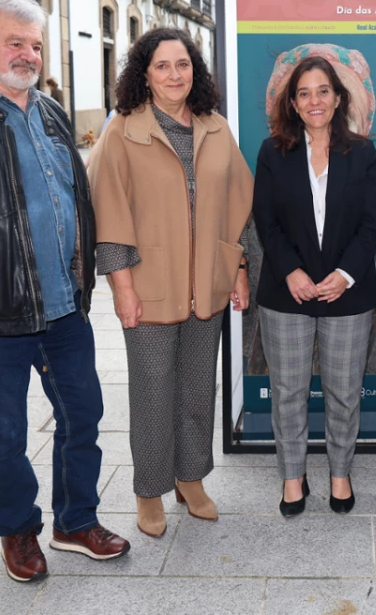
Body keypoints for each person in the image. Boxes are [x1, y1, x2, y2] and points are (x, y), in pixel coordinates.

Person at [0, 0, 129, 583]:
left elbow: (76, 199)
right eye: (14, 43)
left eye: (36, 45)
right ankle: (18, 532)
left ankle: (75, 520)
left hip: (63, 311)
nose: (28, 55)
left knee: (85, 416)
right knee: (4, 436)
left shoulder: (50, 111)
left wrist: (81, 285)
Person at [87, 27, 253, 538]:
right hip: (149, 284)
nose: (174, 75)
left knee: (199, 386)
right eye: (162, 66)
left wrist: (239, 269)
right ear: (145, 72)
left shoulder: (216, 127)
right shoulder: (123, 130)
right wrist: (123, 289)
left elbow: (238, 205)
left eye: (182, 65)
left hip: (209, 282)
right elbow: (108, 209)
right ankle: (149, 490)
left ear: (194, 71)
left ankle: (190, 478)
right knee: (153, 390)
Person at [253, 55, 376, 516]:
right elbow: (265, 222)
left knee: (344, 391)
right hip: (286, 292)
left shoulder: (363, 153)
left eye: (323, 91)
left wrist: (344, 276)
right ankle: (293, 477)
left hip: (348, 293)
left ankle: (340, 474)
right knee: (288, 390)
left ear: (339, 97)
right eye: (304, 92)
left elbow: (370, 227)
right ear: (292, 101)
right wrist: (290, 270)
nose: (314, 101)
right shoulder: (273, 152)